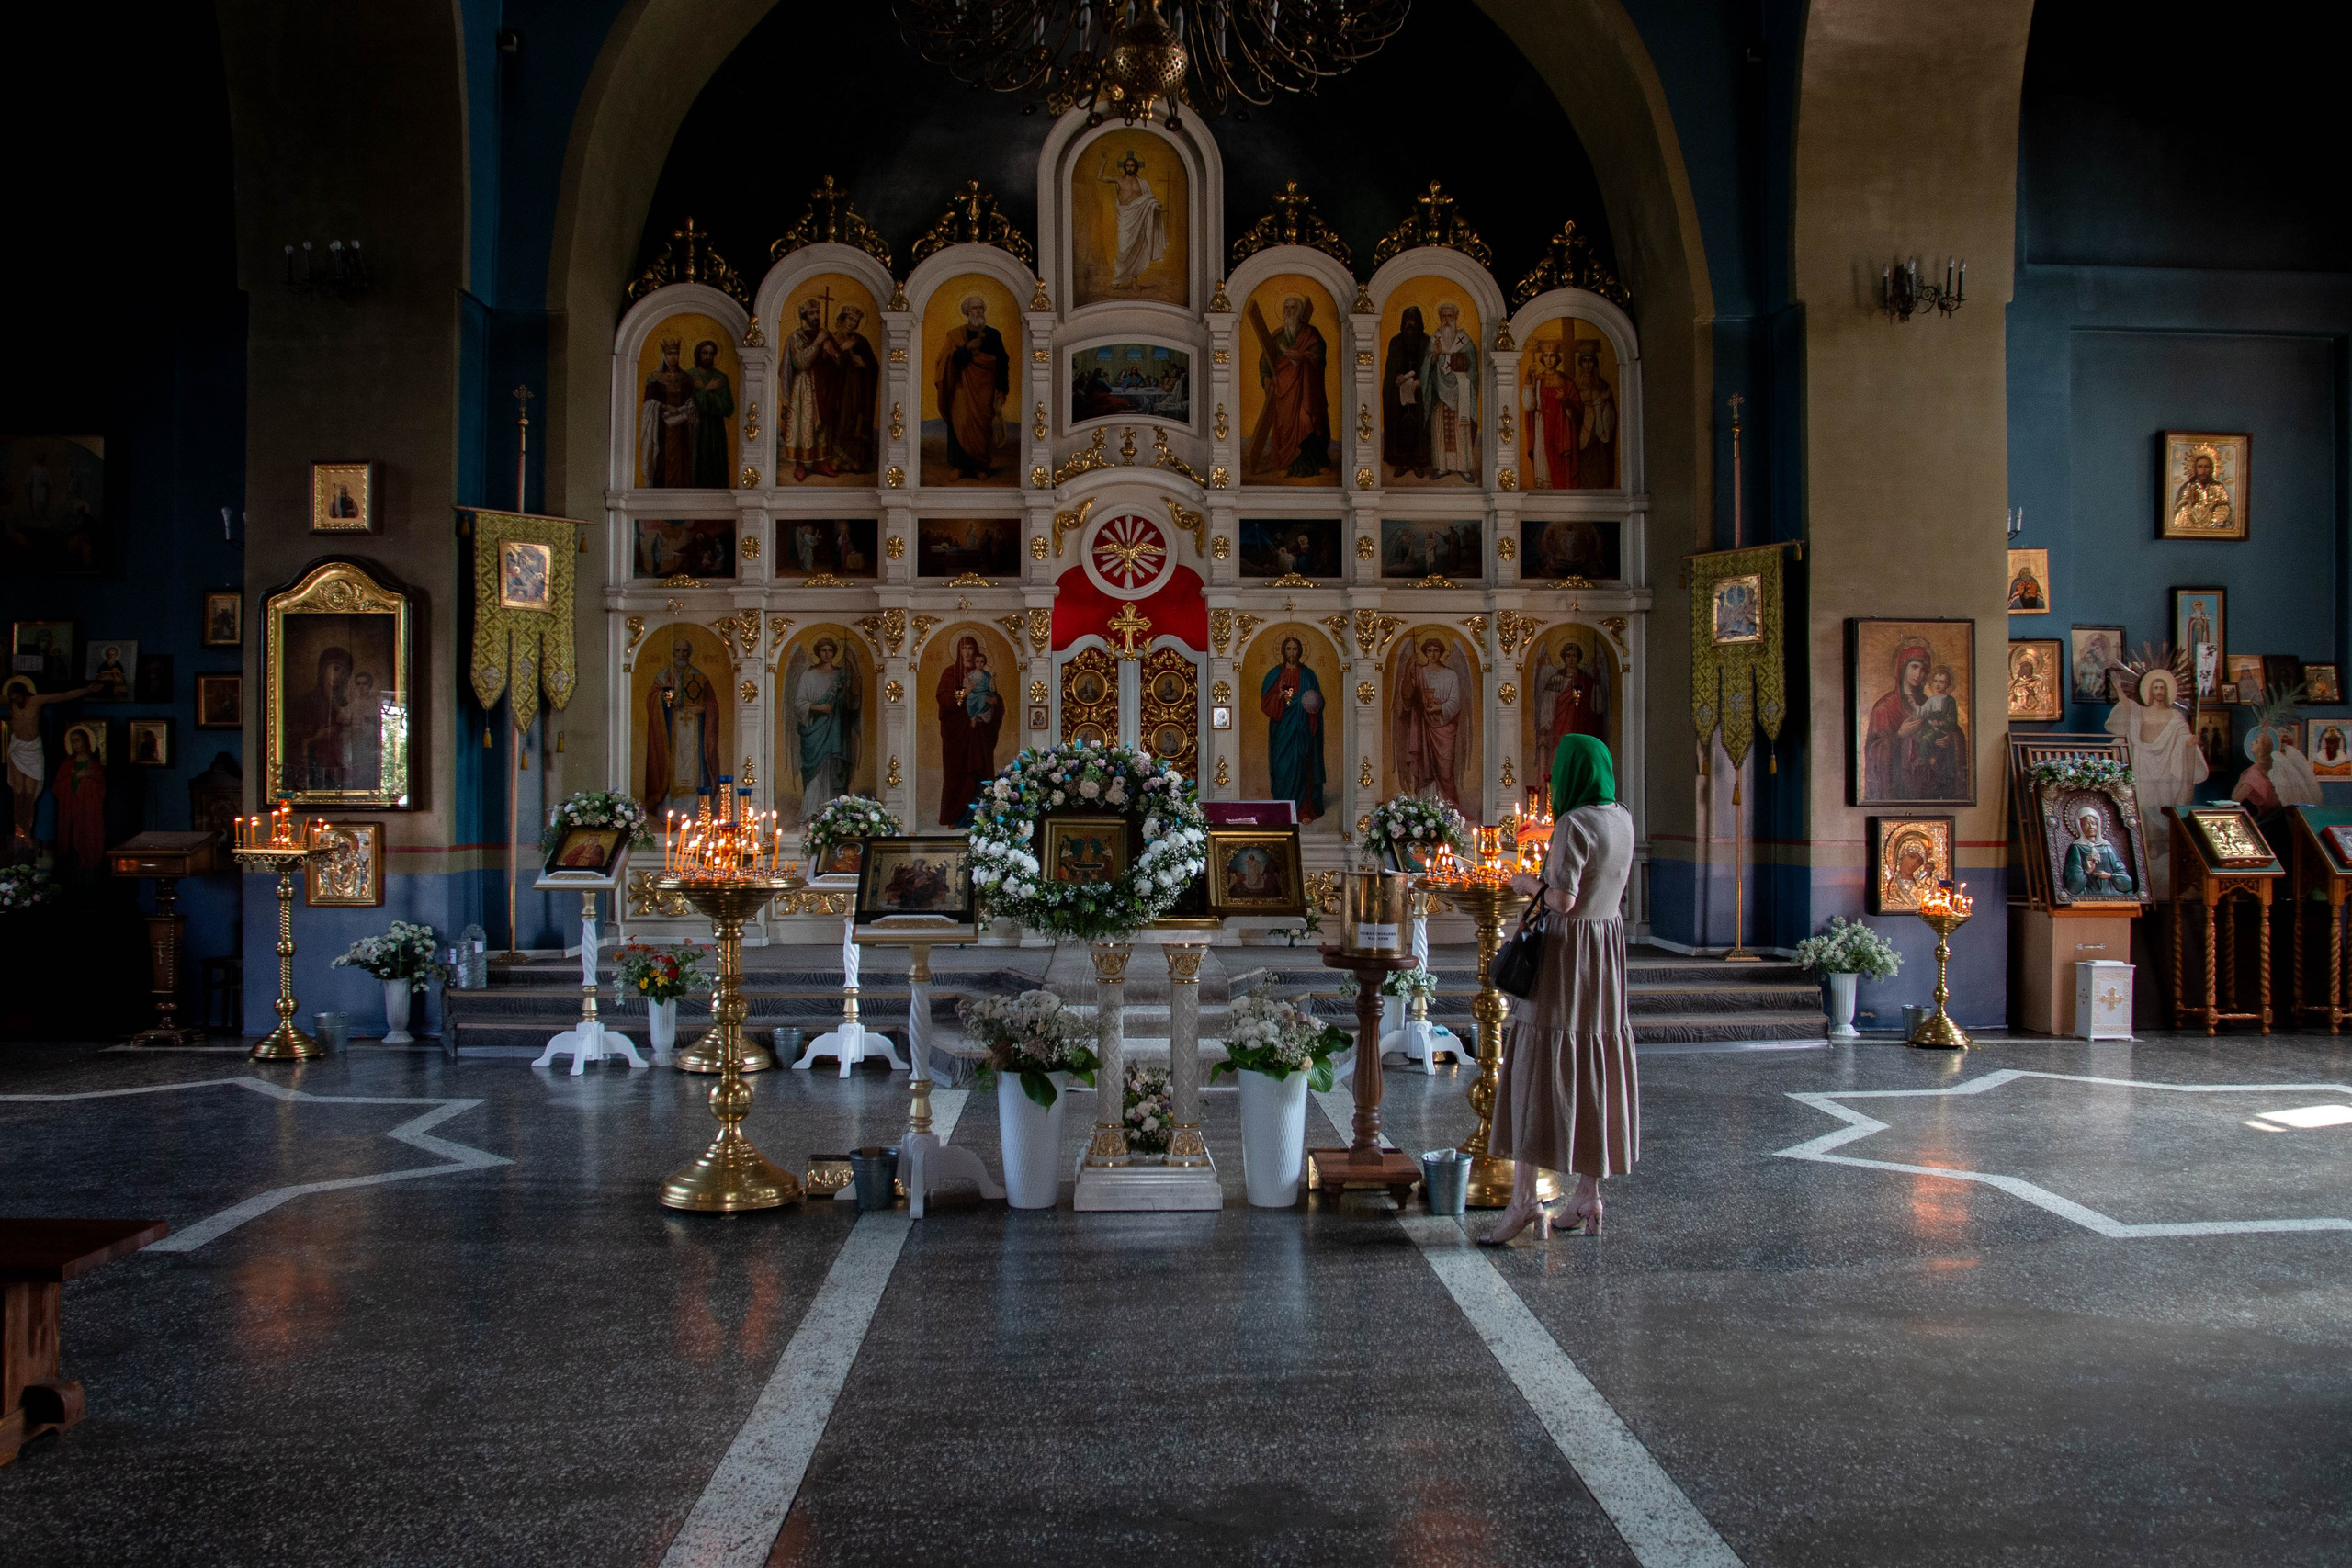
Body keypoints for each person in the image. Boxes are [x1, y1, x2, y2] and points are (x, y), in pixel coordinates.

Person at [1481, 734, 1638, 1245]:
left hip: (1566, 957)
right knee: (1592, 1065)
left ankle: (1525, 1199)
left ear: (1570, 772)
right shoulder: (1621, 816)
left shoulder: (1574, 824)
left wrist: (1524, 883)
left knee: (1537, 1066)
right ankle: (1587, 1193)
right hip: (1605, 954)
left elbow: (1564, 899)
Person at [2105, 668, 2206, 898]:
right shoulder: (2141, 712)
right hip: (2144, 766)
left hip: (2166, 773)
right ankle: (2143, 865)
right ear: (2150, 691)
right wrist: (2119, 688)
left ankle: (2167, 869)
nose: (2159, 691)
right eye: (2156, 687)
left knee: (2165, 814)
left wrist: (2191, 741)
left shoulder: (2175, 718)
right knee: (2143, 810)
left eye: (2162, 687)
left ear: (2168, 691)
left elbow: (2183, 739)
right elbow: (2128, 708)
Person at [6, 675, 96, 861]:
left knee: (30, 792)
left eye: (17, 697)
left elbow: (62, 696)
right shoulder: (10, 702)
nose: (15, 701)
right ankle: (18, 831)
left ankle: (27, 831)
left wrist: (87, 690)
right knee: (18, 791)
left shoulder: (36, 700)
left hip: (32, 750)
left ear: (23, 693)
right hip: (17, 748)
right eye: (12, 698)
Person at [1244, 295, 1329, 479]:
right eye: (1286, 308)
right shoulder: (1277, 337)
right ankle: (1288, 464)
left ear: (1299, 312)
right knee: (1284, 426)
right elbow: (1265, 362)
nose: (1289, 311)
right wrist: (1266, 379)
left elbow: (1320, 357)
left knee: (1307, 421)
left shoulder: (1311, 334)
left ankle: (1312, 464)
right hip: (1284, 394)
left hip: (1307, 391)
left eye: (1292, 308)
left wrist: (1303, 358)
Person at [934, 296, 1010, 479]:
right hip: (961, 386)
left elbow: (1002, 362)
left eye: (981, 308)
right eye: (974, 308)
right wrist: (966, 349)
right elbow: (945, 361)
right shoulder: (956, 335)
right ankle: (959, 466)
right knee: (960, 420)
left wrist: (1001, 389)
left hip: (985, 387)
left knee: (982, 425)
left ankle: (980, 466)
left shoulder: (993, 334)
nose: (978, 312)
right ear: (967, 312)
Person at [644, 636, 720, 815]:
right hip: (672, 732)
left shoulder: (699, 676)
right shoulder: (664, 676)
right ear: (672, 653)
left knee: (695, 768)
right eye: (678, 650)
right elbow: (653, 701)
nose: (681, 654)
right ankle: (670, 811)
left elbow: (712, 704)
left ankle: (695, 812)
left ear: (690, 653)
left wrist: (703, 709)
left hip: (695, 731)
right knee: (673, 767)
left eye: (685, 651)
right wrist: (665, 699)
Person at [933, 635, 1002, 826]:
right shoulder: (951, 672)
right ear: (958, 651)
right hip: (957, 734)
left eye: (971, 648)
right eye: (964, 648)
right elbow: (945, 700)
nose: (968, 652)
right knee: (957, 776)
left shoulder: (984, 673)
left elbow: (994, 695)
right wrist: (965, 692)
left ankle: (980, 819)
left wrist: (996, 702)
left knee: (980, 774)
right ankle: (955, 817)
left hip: (979, 733)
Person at [1396, 637, 1469, 816]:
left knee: (1445, 770)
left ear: (1442, 652)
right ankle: (1423, 809)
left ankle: (1448, 810)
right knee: (1423, 765)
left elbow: (1456, 701)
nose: (1433, 654)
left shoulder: (1450, 675)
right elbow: (1406, 696)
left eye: (1436, 650)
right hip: (1422, 726)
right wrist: (1407, 670)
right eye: (1429, 651)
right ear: (1425, 652)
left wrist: (1439, 707)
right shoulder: (1418, 671)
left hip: (1444, 727)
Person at [1260, 636, 1326, 823]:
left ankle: (1303, 810)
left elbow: (1318, 700)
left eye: (1294, 649)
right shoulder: (1276, 674)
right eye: (1288, 649)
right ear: (1283, 651)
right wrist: (1280, 695)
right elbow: (1267, 703)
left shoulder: (1308, 675)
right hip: (1283, 731)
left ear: (1300, 651)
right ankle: (1282, 809)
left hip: (1303, 730)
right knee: (1283, 768)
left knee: (1302, 767)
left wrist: (1314, 708)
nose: (1291, 653)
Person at [793, 637, 860, 822]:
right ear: (817, 652)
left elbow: (854, 695)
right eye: (823, 650)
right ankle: (812, 810)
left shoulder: (841, 674)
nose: (827, 653)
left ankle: (834, 811)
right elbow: (799, 703)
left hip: (836, 729)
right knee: (816, 771)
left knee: (834, 767)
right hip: (815, 730)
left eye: (831, 650)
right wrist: (818, 707)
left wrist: (853, 664)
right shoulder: (809, 675)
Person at [1419, 301, 1480, 481]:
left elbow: (1474, 370)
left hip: (1460, 393)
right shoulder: (1434, 340)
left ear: (1455, 318)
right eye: (1443, 316)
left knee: (1460, 430)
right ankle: (1442, 467)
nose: (1446, 320)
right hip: (1439, 393)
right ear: (1440, 318)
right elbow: (1426, 366)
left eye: (1449, 316)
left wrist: (1463, 371)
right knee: (1440, 431)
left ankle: (1463, 467)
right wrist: (1437, 354)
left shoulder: (1465, 341)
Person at [1097, 149, 1167, 291]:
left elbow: (1150, 201)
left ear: (1136, 167)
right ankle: (1117, 279)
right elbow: (1100, 177)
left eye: (1132, 165)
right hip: (1125, 218)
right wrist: (1104, 161)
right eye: (1127, 165)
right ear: (1124, 167)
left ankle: (1135, 282)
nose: (1130, 168)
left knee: (1137, 251)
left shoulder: (1143, 184)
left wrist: (1158, 209)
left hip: (1139, 220)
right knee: (1123, 250)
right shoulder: (1119, 180)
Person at [639, 335, 697, 487]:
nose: (673, 357)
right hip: (662, 427)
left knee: (681, 459)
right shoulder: (655, 377)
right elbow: (648, 402)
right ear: (664, 356)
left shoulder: (685, 378)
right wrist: (664, 407)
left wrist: (687, 407)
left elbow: (691, 399)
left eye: (676, 353)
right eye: (670, 353)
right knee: (662, 459)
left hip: (681, 427)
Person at [1382, 306, 1431, 478]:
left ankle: (1418, 463)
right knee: (1401, 426)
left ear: (1419, 322)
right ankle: (1402, 462)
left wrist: (1421, 381)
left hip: (1420, 393)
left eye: (1413, 320)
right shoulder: (1396, 342)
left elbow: (1430, 368)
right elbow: (1390, 369)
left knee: (1418, 427)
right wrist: (1397, 376)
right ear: (1403, 322)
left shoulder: (1427, 342)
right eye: (1407, 320)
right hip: (1400, 394)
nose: (1410, 324)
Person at [52, 725, 107, 871]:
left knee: (88, 841)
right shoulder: (66, 765)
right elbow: (57, 788)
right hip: (69, 811)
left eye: (78, 740)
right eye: (72, 741)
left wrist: (88, 780)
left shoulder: (94, 766)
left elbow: (101, 789)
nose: (75, 744)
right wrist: (75, 777)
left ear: (86, 741)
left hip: (88, 813)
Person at [1567, 340, 1618, 488]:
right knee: (1582, 456)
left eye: (1590, 361)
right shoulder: (1575, 384)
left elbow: (1611, 410)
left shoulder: (1602, 385)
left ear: (1595, 363)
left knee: (1597, 456)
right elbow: (1573, 405)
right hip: (1581, 423)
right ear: (1581, 363)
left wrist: (1603, 407)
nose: (1588, 364)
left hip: (1598, 423)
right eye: (1585, 361)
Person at [2062, 806, 2136, 897]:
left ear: (2098, 825)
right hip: (2086, 896)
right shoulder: (2076, 848)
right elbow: (2072, 887)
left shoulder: (2107, 847)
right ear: (2079, 827)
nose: (2091, 827)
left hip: (2112, 894)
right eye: (2086, 824)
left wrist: (2109, 876)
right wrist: (2087, 871)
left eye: (2093, 823)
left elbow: (2127, 883)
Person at [2171, 446, 2233, 533]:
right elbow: (2178, 513)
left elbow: (2225, 509)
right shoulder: (2188, 488)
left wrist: (2217, 508)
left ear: (2211, 469)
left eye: (2206, 467)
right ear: (2195, 469)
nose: (2203, 470)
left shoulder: (2218, 488)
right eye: (2200, 467)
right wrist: (2191, 504)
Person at [960, 652, 996, 723]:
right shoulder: (972, 674)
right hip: (974, 696)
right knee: (982, 697)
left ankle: (982, 715)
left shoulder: (988, 674)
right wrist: (966, 680)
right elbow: (965, 688)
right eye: (977, 662)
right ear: (974, 663)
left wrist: (992, 680)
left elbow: (992, 689)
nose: (979, 664)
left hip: (986, 693)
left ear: (985, 663)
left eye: (982, 662)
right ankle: (975, 715)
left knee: (985, 697)